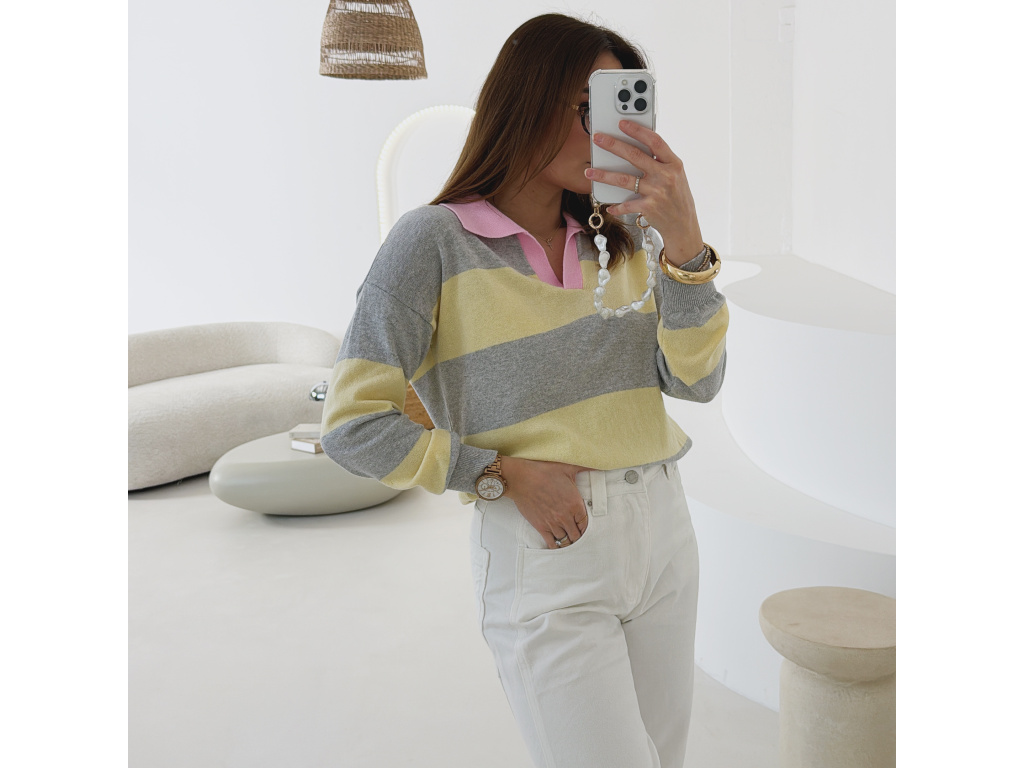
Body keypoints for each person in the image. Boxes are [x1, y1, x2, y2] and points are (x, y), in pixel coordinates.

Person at [319, 12, 728, 768]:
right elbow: (351, 425)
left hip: (665, 531)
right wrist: (499, 473)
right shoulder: (431, 242)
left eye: (623, 106)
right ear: (527, 101)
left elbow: (696, 381)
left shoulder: (628, 238)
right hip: (547, 549)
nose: (611, 132)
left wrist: (685, 242)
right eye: (588, 108)